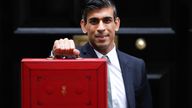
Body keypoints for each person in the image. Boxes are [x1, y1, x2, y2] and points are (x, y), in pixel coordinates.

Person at [52, 0, 152, 108]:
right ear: (83, 26)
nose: (101, 28)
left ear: (117, 24)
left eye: (107, 20)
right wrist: (55, 56)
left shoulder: (136, 66)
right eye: (94, 21)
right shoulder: (72, 59)